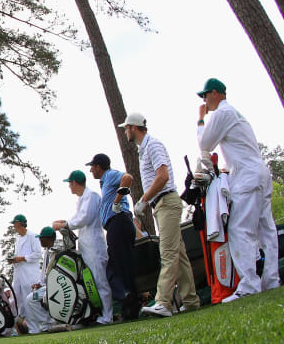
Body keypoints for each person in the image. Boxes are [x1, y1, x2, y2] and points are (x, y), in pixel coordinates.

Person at [197, 78, 281, 300]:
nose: (204, 100)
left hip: (246, 176)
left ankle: (250, 284)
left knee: (238, 229)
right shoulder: (235, 113)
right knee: (266, 231)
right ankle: (271, 280)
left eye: (205, 95)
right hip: (259, 172)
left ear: (216, 93)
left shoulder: (222, 114)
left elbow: (204, 144)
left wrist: (200, 120)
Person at [117, 113, 200, 317]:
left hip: (166, 202)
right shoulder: (143, 150)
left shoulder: (152, 145)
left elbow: (163, 176)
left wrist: (144, 200)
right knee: (178, 255)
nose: (125, 131)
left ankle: (163, 302)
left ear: (134, 128)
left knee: (168, 252)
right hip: (161, 204)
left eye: (126, 128)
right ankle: (190, 301)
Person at [52, 169, 113, 324]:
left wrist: (65, 224)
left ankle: (108, 316)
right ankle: (98, 314)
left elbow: (84, 218)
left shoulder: (91, 196)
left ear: (75, 183)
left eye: (70, 183)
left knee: (100, 281)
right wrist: (65, 223)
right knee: (91, 281)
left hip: (94, 245)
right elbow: (76, 218)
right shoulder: (81, 200)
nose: (69, 187)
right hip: (86, 245)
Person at [86, 153, 139, 320]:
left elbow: (128, 178)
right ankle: (128, 301)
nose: (91, 171)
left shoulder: (110, 175)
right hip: (116, 225)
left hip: (119, 222)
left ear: (99, 167)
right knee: (117, 267)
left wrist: (117, 201)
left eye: (92, 167)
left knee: (120, 267)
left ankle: (129, 300)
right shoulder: (105, 182)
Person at [24, 227, 66, 334]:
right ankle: (36, 328)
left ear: (49, 239)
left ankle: (49, 323)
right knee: (30, 299)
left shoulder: (57, 251)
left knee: (31, 299)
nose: (40, 240)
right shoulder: (47, 251)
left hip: (56, 287)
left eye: (42, 238)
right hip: (46, 287)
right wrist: (40, 283)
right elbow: (45, 272)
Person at [7, 214, 40, 319]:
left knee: (29, 297)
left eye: (14, 224)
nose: (13, 226)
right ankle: (18, 322)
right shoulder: (18, 239)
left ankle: (34, 324)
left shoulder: (33, 236)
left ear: (19, 224)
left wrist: (22, 258)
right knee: (16, 296)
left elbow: (38, 254)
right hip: (18, 273)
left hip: (29, 274)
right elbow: (17, 255)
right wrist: (13, 260)